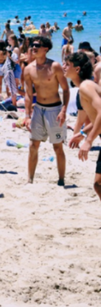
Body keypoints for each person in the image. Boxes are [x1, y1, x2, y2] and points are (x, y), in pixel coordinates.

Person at [23, 36, 69, 185]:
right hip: (38, 110)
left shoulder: (54, 66)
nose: (33, 47)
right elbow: (28, 95)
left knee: (57, 146)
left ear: (46, 49)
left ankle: (61, 179)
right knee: (33, 145)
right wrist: (27, 115)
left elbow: (66, 89)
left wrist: (63, 110)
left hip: (54, 110)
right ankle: (30, 179)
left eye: (37, 45)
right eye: (32, 45)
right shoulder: (29, 69)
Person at [65, 53, 101, 201]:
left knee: (98, 184)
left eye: (67, 64)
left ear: (77, 69)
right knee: (98, 184)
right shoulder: (85, 87)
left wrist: (88, 141)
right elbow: (95, 118)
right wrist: (83, 133)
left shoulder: (86, 86)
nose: (63, 67)